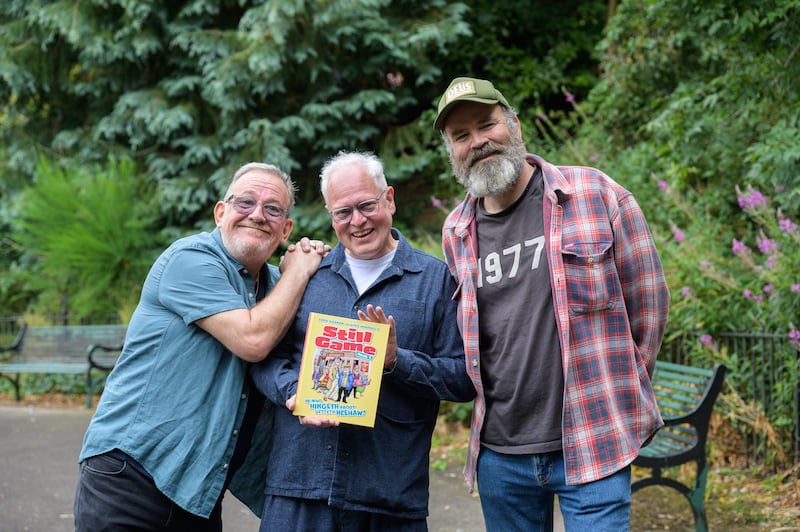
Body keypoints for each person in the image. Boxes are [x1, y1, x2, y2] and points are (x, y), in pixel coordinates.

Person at [434, 77, 670, 531]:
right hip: (501, 457)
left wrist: (616, 391)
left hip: (594, 443)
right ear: (451, 150)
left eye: (487, 125)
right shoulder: (456, 231)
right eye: (461, 136)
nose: (478, 142)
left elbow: (650, 305)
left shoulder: (598, 195)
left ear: (515, 125)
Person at [73, 162, 329, 531]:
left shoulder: (275, 284)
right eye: (245, 203)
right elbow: (253, 339)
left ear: (286, 229)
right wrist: (298, 271)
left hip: (199, 490)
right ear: (220, 212)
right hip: (131, 475)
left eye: (273, 209)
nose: (257, 215)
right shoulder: (190, 259)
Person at [250, 150, 476, 532]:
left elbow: (463, 378)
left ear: (389, 199)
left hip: (388, 495)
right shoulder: (306, 274)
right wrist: (295, 393)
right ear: (330, 215)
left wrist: (395, 361)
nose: (357, 221)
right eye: (342, 212)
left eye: (366, 205)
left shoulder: (435, 279)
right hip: (300, 488)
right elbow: (265, 359)